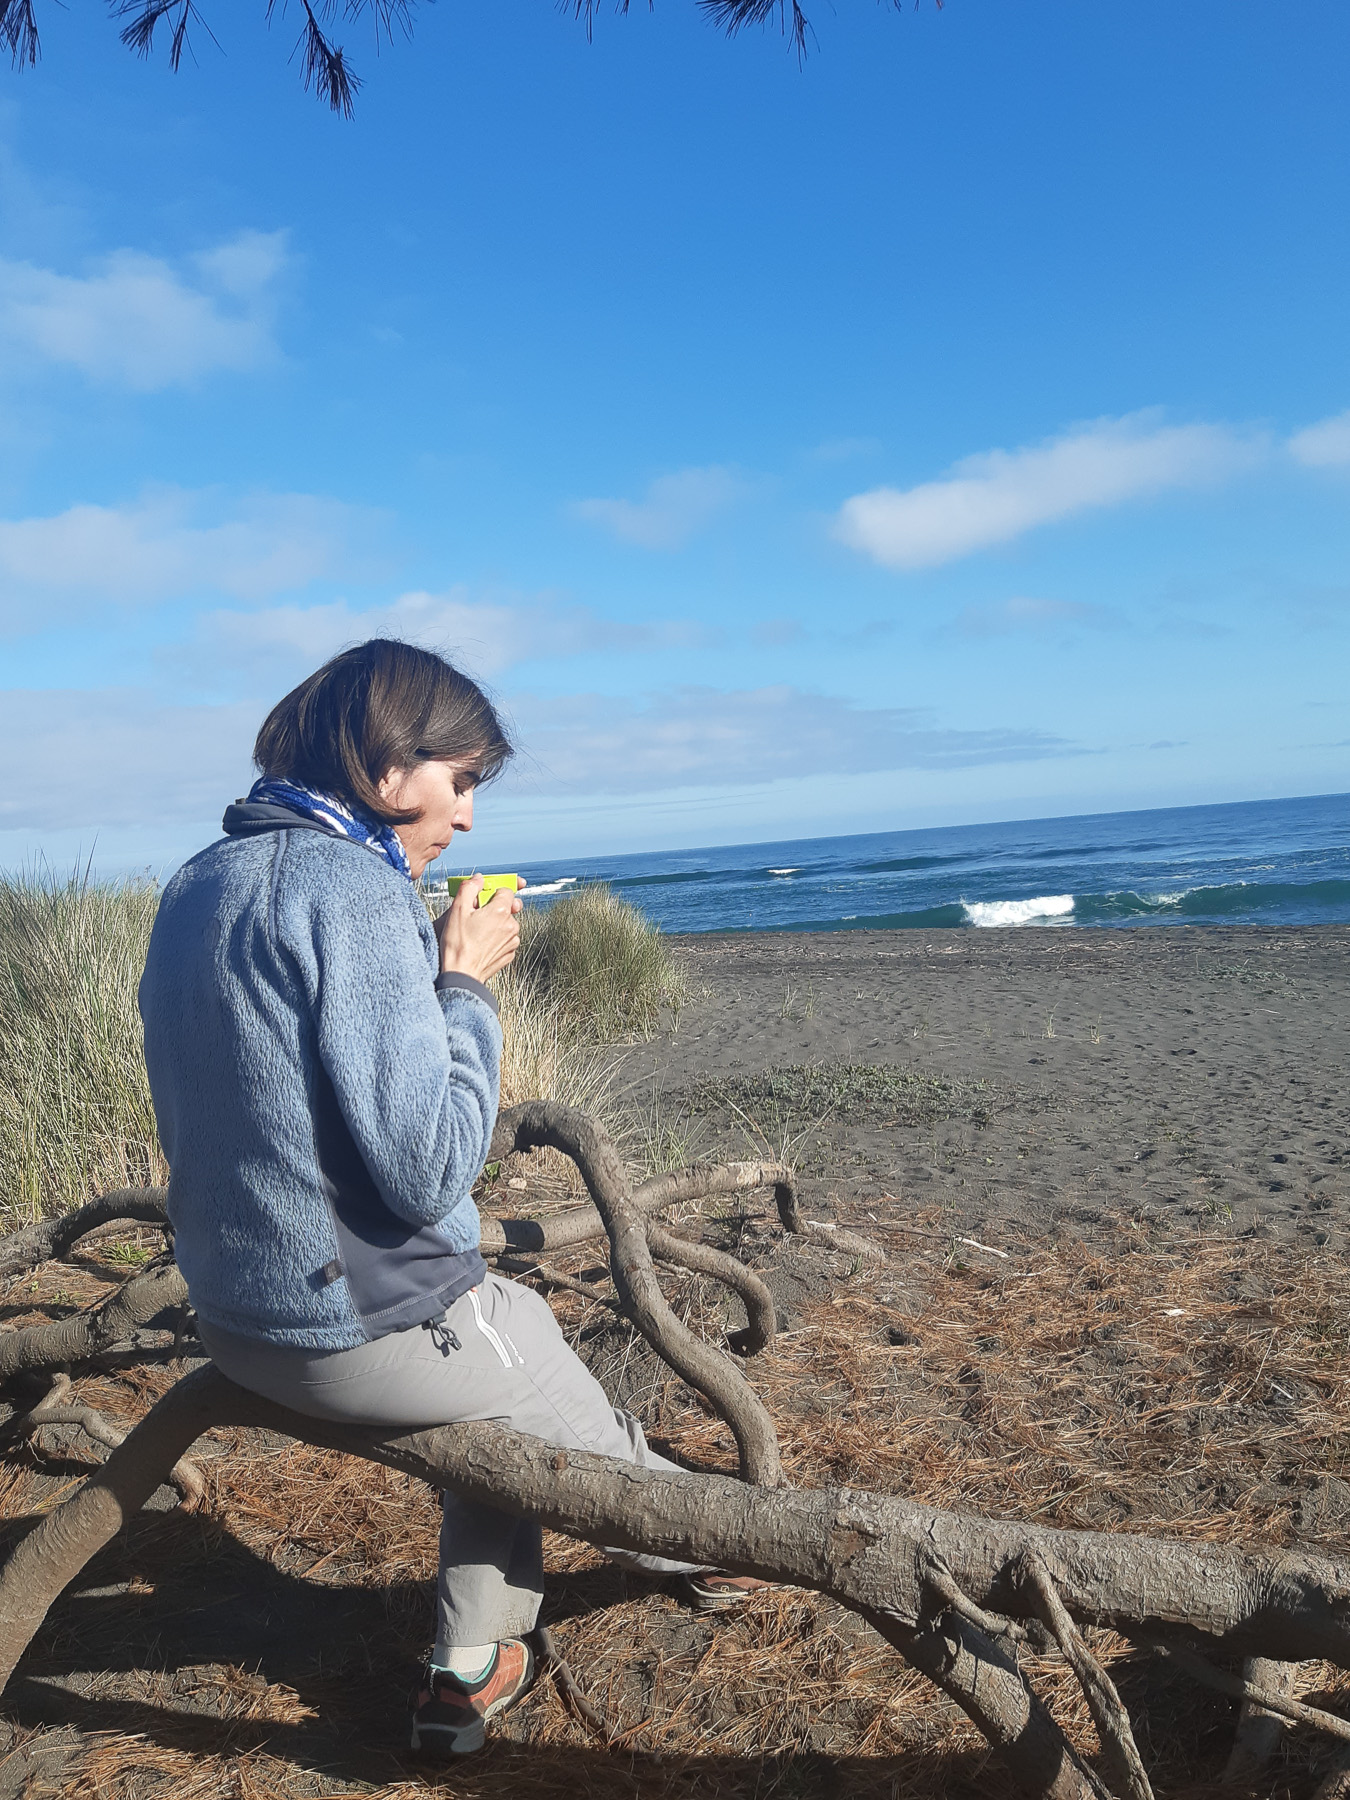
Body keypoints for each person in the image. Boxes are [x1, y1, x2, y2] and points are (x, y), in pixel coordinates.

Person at [138, 638, 761, 1760]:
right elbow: (429, 1167)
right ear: (388, 765)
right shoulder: (354, 889)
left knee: (499, 1368)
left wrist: (413, 983)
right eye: (461, 780)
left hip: (231, 1316)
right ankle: (703, 1543)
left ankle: (470, 1668)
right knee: (518, 1337)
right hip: (347, 1331)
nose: (466, 817)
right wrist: (464, 986)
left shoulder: (198, 883)